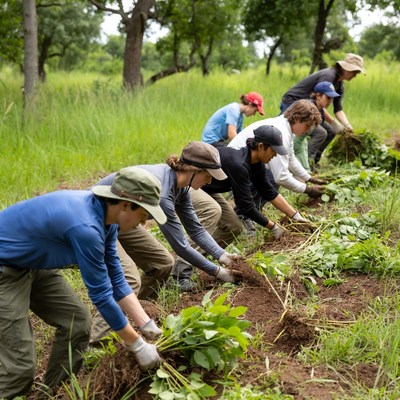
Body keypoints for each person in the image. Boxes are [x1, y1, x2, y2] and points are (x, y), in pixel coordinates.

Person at [0, 167, 166, 399]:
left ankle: (53, 393)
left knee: (77, 322)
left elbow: (116, 278)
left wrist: (146, 324)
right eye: (144, 214)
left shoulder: (108, 221)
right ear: (126, 204)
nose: (144, 222)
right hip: (4, 270)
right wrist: (136, 345)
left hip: (30, 264)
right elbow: (100, 294)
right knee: (20, 367)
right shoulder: (86, 228)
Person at [90, 141, 242, 343]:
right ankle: (96, 340)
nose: (209, 182)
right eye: (208, 176)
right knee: (129, 278)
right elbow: (180, 246)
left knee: (162, 263)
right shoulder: (163, 194)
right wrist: (218, 271)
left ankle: (138, 313)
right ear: (195, 171)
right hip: (98, 219)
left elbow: (195, 229)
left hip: (125, 217)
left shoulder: (181, 188)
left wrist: (223, 256)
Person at [172, 125, 311, 289]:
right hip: (190, 184)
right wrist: (273, 227)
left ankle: (196, 258)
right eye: (273, 151)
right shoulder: (238, 164)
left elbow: (269, 191)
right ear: (261, 146)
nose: (274, 156)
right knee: (212, 211)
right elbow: (245, 205)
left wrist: (295, 216)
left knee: (233, 226)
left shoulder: (256, 164)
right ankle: (180, 275)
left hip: (207, 189)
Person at [280, 53, 366, 167]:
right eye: (355, 72)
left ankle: (313, 161)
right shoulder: (328, 76)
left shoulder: (340, 85)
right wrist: (333, 122)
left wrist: (347, 126)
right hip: (294, 103)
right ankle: (303, 164)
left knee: (330, 132)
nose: (355, 75)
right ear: (346, 68)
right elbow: (319, 102)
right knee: (320, 133)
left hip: (311, 107)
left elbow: (338, 108)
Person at [229, 100, 326, 198]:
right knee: (270, 180)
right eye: (308, 125)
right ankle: (243, 210)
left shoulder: (287, 129)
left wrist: (308, 178)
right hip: (234, 168)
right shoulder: (282, 133)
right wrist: (308, 190)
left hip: (241, 164)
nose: (308, 130)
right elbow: (281, 177)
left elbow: (290, 158)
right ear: (297, 118)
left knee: (269, 177)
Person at [292, 81, 340, 170]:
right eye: (328, 97)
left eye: (332, 99)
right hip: (292, 137)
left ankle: (312, 161)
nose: (330, 101)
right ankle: (308, 161)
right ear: (318, 96)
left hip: (299, 140)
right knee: (321, 133)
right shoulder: (308, 108)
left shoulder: (320, 110)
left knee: (328, 131)